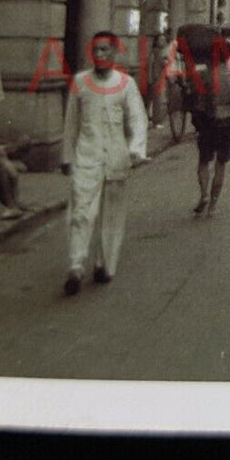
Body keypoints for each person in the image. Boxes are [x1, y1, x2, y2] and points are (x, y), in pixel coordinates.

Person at [61, 31, 149, 294]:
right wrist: (67, 156)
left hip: (115, 159)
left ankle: (103, 264)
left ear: (114, 53)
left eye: (105, 51)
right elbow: (71, 123)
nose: (99, 56)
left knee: (111, 217)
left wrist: (135, 149)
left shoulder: (125, 84)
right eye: (96, 51)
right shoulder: (81, 82)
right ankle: (76, 266)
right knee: (81, 213)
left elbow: (137, 118)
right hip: (86, 157)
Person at [189, 35, 230, 215]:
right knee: (221, 165)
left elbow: (197, 102)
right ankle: (212, 206)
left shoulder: (204, 75)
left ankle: (204, 194)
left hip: (208, 121)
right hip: (227, 120)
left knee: (204, 162)